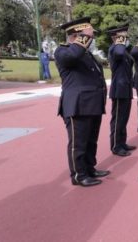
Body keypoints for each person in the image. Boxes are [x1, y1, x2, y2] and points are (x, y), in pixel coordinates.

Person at [55, 17, 109, 187]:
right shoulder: (62, 51)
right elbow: (72, 56)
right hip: (77, 105)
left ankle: (90, 168)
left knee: (91, 140)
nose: (91, 40)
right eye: (89, 36)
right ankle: (79, 174)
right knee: (78, 143)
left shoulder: (86, 54)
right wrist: (84, 37)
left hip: (92, 103)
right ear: (76, 35)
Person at [107, 24, 135, 157]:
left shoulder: (124, 52)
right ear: (116, 38)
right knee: (118, 119)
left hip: (126, 88)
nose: (125, 39)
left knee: (124, 118)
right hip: (119, 89)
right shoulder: (115, 49)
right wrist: (120, 41)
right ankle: (115, 146)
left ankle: (122, 142)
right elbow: (119, 52)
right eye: (123, 37)